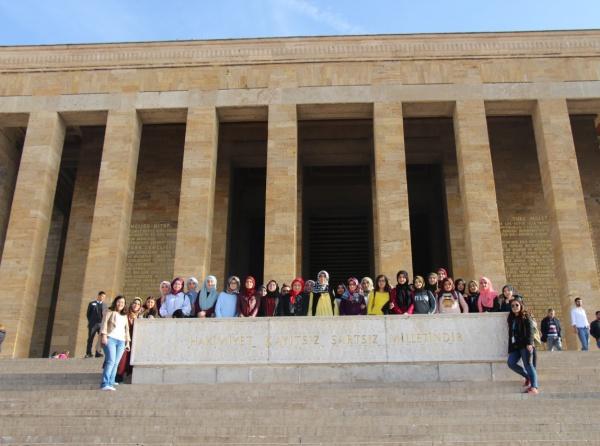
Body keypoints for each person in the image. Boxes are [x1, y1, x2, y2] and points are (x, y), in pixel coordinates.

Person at [506, 299, 539, 395]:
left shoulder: (526, 316)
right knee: (511, 363)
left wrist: (529, 343)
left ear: (520, 306)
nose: (515, 307)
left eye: (516, 305)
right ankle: (527, 376)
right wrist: (510, 349)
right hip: (515, 346)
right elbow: (510, 334)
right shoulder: (511, 318)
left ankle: (534, 387)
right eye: (512, 306)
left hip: (525, 345)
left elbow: (530, 330)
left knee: (528, 365)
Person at [99, 295, 130, 391]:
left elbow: (126, 330)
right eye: (119, 302)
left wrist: (127, 342)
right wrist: (104, 335)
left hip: (121, 340)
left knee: (116, 363)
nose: (120, 304)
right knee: (110, 361)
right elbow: (104, 323)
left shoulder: (125, 315)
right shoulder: (110, 311)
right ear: (115, 302)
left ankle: (111, 382)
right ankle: (105, 383)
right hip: (110, 339)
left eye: (123, 302)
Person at [116, 297, 142, 384]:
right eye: (135, 303)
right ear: (131, 304)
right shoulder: (125, 314)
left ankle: (126, 375)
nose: (136, 305)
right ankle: (118, 376)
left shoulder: (139, 316)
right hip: (124, 339)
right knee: (123, 358)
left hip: (135, 340)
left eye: (138, 304)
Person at [85, 291, 107, 358]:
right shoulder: (92, 303)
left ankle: (98, 353)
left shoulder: (105, 305)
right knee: (90, 338)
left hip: (101, 324)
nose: (103, 298)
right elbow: (88, 314)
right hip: (93, 324)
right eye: (102, 296)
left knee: (100, 339)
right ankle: (88, 353)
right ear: (99, 296)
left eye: (104, 297)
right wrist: (91, 322)